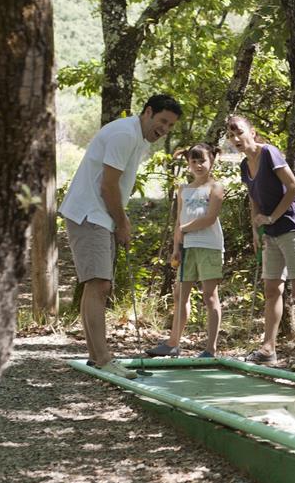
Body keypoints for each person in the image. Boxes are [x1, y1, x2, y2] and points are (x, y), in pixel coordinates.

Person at [59, 94, 182, 379]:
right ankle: (103, 359)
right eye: (162, 121)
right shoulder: (125, 134)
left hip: (98, 215)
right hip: (90, 213)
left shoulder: (137, 136)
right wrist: (123, 222)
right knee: (99, 284)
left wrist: (117, 221)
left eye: (171, 126)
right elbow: (108, 185)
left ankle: (96, 356)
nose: (165, 129)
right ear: (148, 112)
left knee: (96, 285)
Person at [225, 114, 295, 372]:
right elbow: (253, 196)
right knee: (271, 289)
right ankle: (268, 349)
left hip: (293, 226)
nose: (236, 139)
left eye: (239, 133)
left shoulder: (270, 153)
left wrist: (272, 217)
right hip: (270, 232)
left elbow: (293, 187)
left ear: (252, 132)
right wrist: (256, 228)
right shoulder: (245, 165)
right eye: (231, 136)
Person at [145, 143, 225, 359]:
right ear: (188, 163)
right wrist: (176, 247)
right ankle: (173, 343)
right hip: (187, 247)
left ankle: (210, 348)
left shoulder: (215, 187)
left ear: (211, 161)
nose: (199, 165)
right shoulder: (183, 189)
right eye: (194, 161)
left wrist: (185, 229)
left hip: (209, 246)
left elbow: (210, 218)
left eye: (203, 161)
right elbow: (179, 220)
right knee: (181, 295)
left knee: (209, 296)